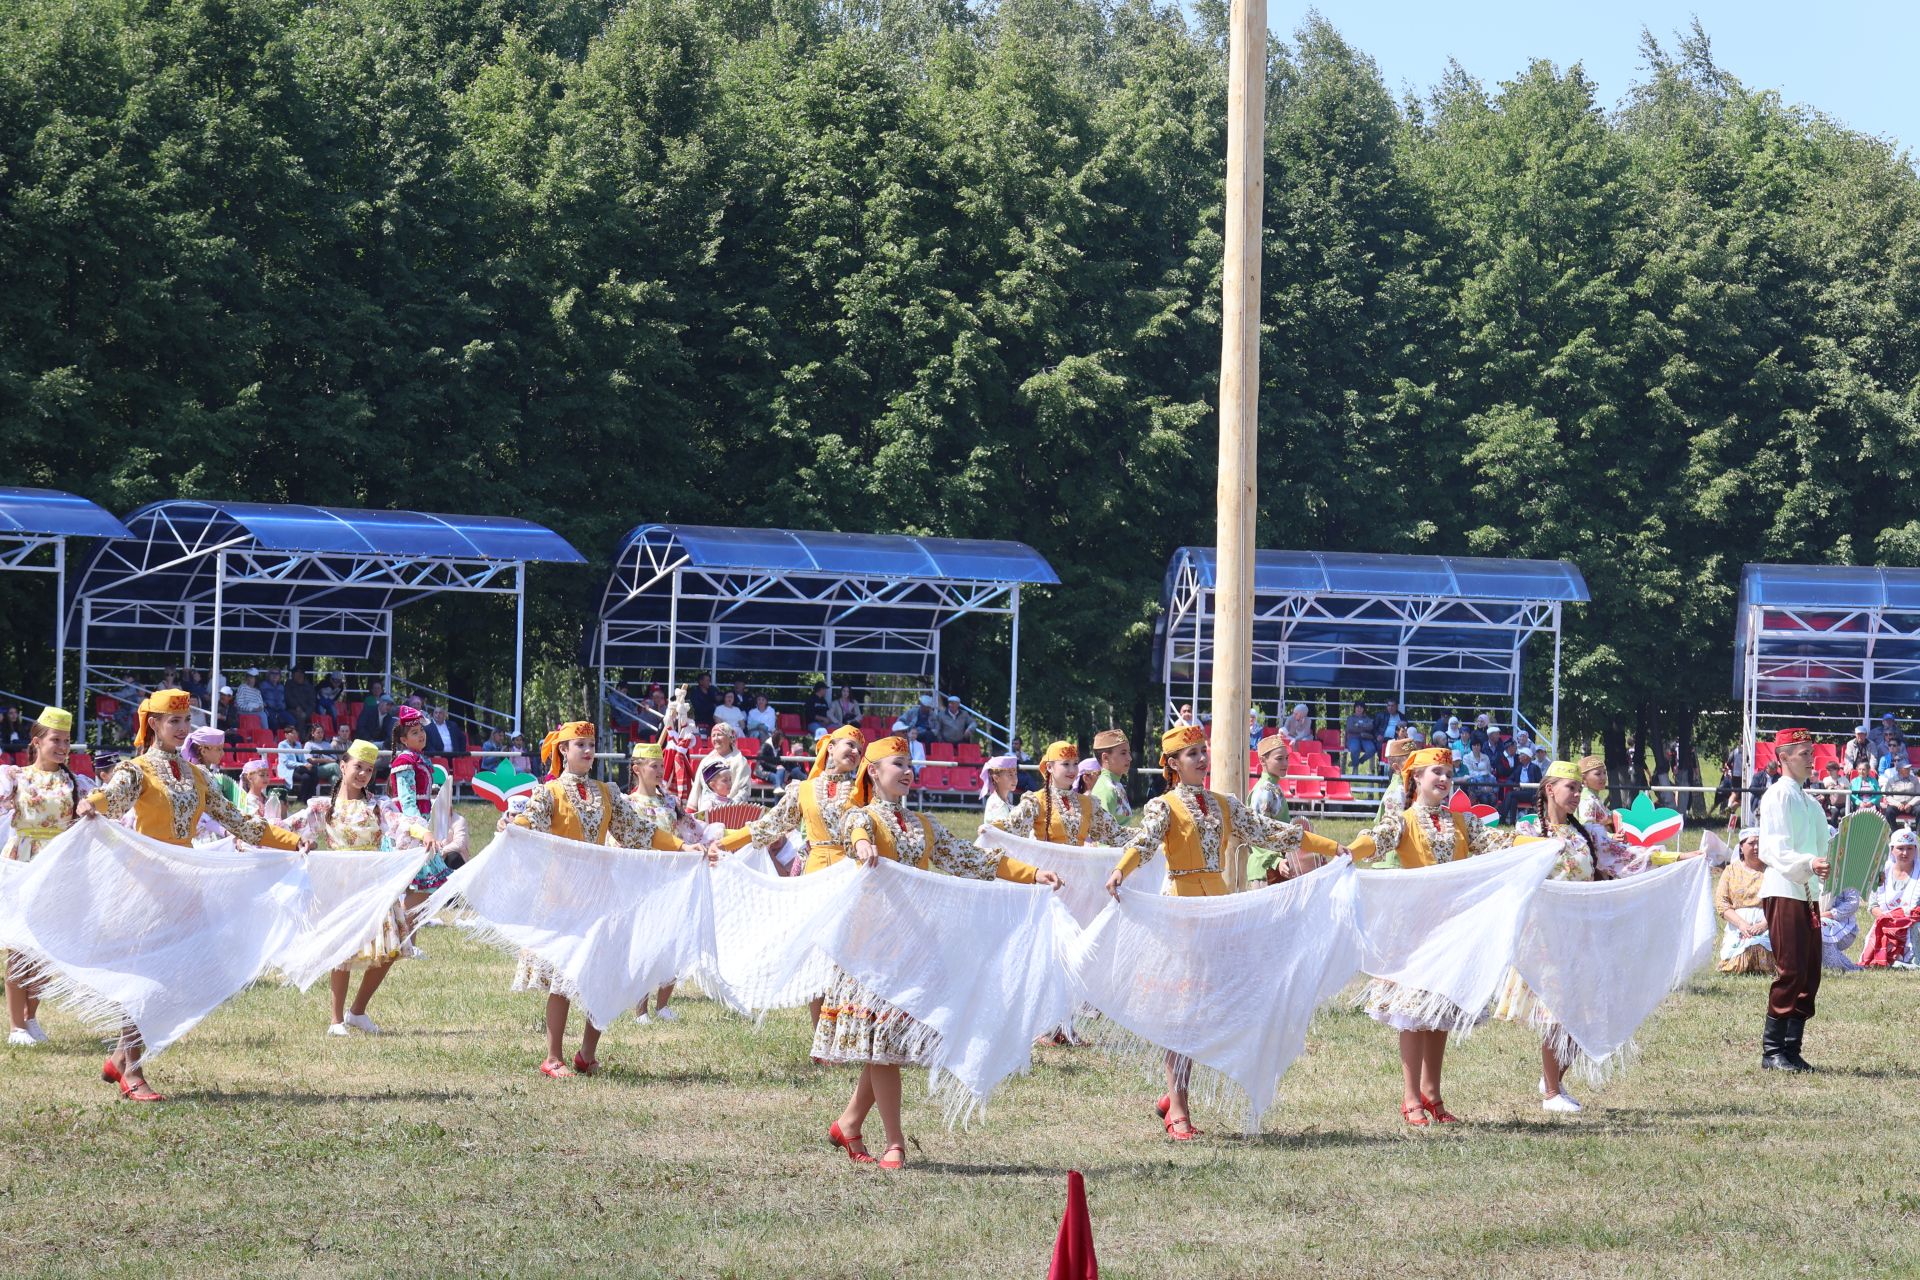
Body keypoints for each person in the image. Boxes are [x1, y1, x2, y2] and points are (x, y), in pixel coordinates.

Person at [819, 736, 1061, 1169]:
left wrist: (1032, 874)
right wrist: (861, 846)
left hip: (916, 946)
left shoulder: (925, 825)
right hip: (874, 948)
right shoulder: (863, 816)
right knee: (885, 1045)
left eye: (910, 764)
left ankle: (850, 1123)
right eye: (898, 764)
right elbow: (852, 830)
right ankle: (895, 1142)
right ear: (873, 771)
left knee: (887, 1041)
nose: (908, 771)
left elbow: (974, 859)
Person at [1104, 726, 1344, 1140]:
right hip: (1180, 910)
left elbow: (1273, 832)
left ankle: (1173, 1094)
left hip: (1218, 909)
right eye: (1192, 753)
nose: (1201, 759)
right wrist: (1119, 870)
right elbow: (1144, 844)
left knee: (1207, 1009)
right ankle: (1178, 1107)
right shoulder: (1163, 807)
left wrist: (1326, 846)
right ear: (1173, 764)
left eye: (1203, 751)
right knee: (1181, 1012)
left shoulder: (1224, 805)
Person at [83, 689, 306, 1100]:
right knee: (150, 976)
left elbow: (240, 821)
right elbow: (111, 799)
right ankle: (132, 1070)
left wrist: (292, 842)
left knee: (176, 976)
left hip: (185, 884)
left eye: (186, 723)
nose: (182, 729)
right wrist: (90, 804)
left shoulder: (196, 775)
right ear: (153, 724)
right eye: (175, 722)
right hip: (147, 884)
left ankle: (119, 1056)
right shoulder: (136, 770)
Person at [1344, 746, 1507, 1127]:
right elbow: (1376, 840)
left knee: (1440, 1012)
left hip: (1453, 928)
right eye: (1436, 772)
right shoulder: (1403, 821)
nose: (1445, 779)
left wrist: (1547, 847)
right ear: (1415, 778)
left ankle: (1432, 1094)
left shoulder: (1463, 823)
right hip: (1415, 928)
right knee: (1414, 1014)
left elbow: (1503, 843)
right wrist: (1346, 853)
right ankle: (1410, 1097)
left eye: (1449, 773)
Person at [1497, 760, 1661, 1113]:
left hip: (1583, 934)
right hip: (1545, 935)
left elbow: (1627, 857)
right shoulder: (1529, 830)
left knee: (1584, 1013)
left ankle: (1552, 1075)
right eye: (1570, 788)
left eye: (1578, 789)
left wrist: (1682, 858)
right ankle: (1552, 1094)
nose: (1576, 795)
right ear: (1549, 789)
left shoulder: (1586, 834)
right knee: (1557, 1013)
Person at [506, 721, 660, 1077]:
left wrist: (683, 847)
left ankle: (587, 1054)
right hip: (562, 895)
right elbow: (533, 821)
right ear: (563, 750)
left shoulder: (606, 792)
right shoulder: (550, 792)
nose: (588, 751)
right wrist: (515, 827)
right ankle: (552, 1057)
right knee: (562, 980)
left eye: (592, 744)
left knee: (603, 977)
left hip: (602, 896)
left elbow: (640, 832)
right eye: (581, 745)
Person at [286, 741, 423, 1035]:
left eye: (369, 769)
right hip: (340, 885)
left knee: (391, 949)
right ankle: (336, 1020)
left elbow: (401, 823)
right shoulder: (324, 806)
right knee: (342, 952)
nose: (363, 773)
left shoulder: (377, 805)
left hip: (374, 885)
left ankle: (357, 1011)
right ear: (343, 766)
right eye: (358, 767)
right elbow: (290, 828)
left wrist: (422, 833)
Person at [627, 742, 741, 1024]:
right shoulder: (628, 805)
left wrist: (724, 838)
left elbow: (693, 828)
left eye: (660, 765)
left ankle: (663, 1004)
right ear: (637, 769)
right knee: (646, 942)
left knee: (674, 940)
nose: (659, 770)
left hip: (673, 878)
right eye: (653, 766)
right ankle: (640, 1009)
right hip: (643, 879)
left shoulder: (669, 802)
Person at [0, 708, 93, 1046]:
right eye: (56, 740)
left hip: (57, 866)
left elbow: (87, 821)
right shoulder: (16, 777)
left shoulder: (75, 783)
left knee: (45, 946)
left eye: (67, 741)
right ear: (37, 742)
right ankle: (15, 1026)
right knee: (20, 945)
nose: (63, 747)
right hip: (24, 862)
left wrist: (87, 810)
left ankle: (31, 1017)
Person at [1754, 728, 1831, 1073]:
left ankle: (1791, 1048)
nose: (1810, 758)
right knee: (1791, 969)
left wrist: (1826, 866)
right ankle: (1771, 1052)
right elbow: (1773, 849)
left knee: (1809, 972)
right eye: (1803, 752)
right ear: (1782, 757)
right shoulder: (1777, 795)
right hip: (1784, 888)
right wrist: (1808, 864)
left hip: (1807, 892)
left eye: (1810, 751)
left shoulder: (1809, 801)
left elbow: (1822, 848)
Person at [985, 741, 1124, 847]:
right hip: (1047, 876)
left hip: (1080, 874)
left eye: (1075, 764)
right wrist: (990, 829)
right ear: (1049, 767)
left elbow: (1114, 833)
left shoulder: (1088, 803)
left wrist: (1144, 836)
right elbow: (1012, 827)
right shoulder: (1035, 801)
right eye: (1066, 764)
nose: (1072, 770)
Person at [1246, 732, 1306, 885]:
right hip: (1265, 870)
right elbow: (1256, 834)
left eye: (1286, 758)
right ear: (1262, 761)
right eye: (1279, 759)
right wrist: (1275, 861)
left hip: (1277, 867)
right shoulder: (1264, 791)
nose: (1285, 763)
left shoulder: (1273, 787)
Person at [1716, 828, 1775, 975]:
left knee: (1762, 951)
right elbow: (1722, 903)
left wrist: (1764, 924)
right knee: (1737, 963)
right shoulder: (1730, 871)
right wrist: (1742, 924)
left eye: (1760, 843)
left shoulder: (1773, 871)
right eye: (1752, 843)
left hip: (1769, 923)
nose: (1756, 847)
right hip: (1739, 925)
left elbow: (1782, 903)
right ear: (1742, 847)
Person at [1861, 829, 1920, 967]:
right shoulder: (1881, 872)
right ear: (1892, 849)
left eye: (1909, 848)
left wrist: (1905, 918)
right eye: (1900, 848)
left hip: (1913, 924)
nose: (1905, 853)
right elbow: (1873, 905)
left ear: (1915, 849)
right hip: (1886, 923)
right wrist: (1888, 920)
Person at [690, 721, 754, 810]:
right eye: (713, 735)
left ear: (729, 737)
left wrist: (729, 808)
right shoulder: (706, 760)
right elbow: (697, 787)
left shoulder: (740, 761)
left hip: (730, 812)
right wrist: (691, 809)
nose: (715, 738)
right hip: (705, 812)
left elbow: (744, 790)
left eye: (719, 734)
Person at [1088, 729, 1132, 824]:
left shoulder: (1115, 784)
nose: (1129, 758)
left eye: (1129, 752)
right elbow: (1103, 833)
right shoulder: (1105, 789)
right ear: (1105, 758)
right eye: (1123, 753)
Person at [1504, 748, 1543, 826]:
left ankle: (1502, 816)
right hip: (1520, 792)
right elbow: (1509, 780)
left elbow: (1540, 783)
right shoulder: (1519, 768)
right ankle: (1512, 823)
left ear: (1526, 757)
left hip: (1531, 793)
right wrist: (1515, 785)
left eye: (1521, 755)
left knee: (1511, 794)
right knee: (1513, 798)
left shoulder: (1534, 768)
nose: (1519, 757)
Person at [1576, 755, 1615, 830]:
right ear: (1584, 778)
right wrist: (1612, 836)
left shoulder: (1593, 796)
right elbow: (1588, 829)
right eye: (1598, 774)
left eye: (1604, 773)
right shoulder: (1588, 800)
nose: (1603, 777)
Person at [980, 754, 1020, 826]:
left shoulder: (1004, 799)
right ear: (996, 778)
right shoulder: (997, 804)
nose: (1015, 779)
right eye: (1010, 775)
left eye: (1015, 774)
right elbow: (1005, 829)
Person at [1880, 758, 1920, 825]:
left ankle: (1918, 833)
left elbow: (1918, 795)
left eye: (1909, 768)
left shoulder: (1915, 780)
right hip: (1897, 805)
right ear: (1899, 770)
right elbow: (1888, 796)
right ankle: (1894, 831)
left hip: (1911, 805)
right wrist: (1897, 804)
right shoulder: (1891, 780)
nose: (1908, 770)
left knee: (1919, 810)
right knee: (1889, 811)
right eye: (1906, 769)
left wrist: (1910, 804)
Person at [1344, 701, 1379, 774]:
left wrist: (1358, 725)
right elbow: (1350, 728)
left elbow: (1371, 727)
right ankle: (1355, 768)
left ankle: (1359, 761)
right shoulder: (1350, 718)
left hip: (1365, 738)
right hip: (1353, 738)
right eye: (1357, 707)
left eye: (1361, 707)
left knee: (1371, 750)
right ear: (1354, 708)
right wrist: (1363, 726)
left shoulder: (1367, 718)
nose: (1359, 709)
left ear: (1364, 709)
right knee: (1354, 749)